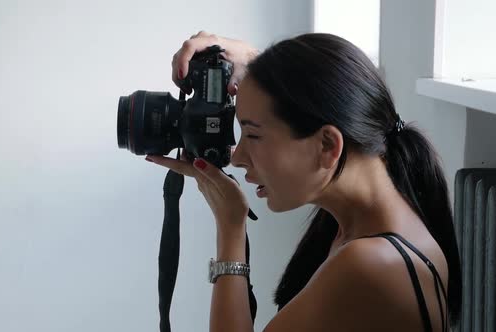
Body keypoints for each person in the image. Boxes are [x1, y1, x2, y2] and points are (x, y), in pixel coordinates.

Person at [145, 31, 462, 332]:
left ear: (327, 145)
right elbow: (330, 91)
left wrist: (231, 229)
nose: (237, 157)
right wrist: (249, 59)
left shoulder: (369, 264)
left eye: (253, 135)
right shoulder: (376, 217)